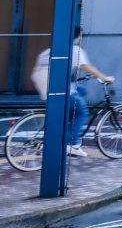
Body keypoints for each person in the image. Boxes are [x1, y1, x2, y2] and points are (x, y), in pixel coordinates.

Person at [30, 26, 113, 158]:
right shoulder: (74, 50)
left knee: (81, 90)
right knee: (81, 112)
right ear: (77, 36)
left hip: (45, 89)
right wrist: (104, 77)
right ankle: (73, 144)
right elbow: (87, 67)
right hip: (59, 90)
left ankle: (67, 124)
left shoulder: (47, 51)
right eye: (80, 36)